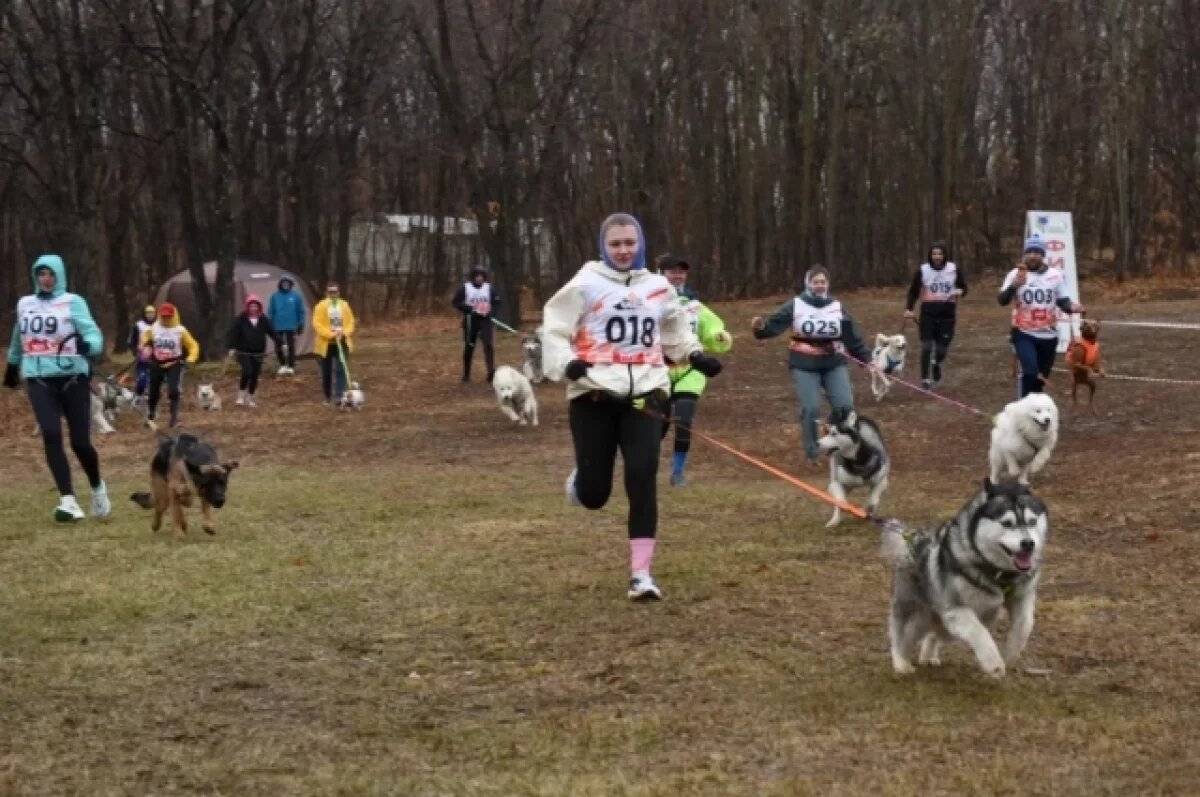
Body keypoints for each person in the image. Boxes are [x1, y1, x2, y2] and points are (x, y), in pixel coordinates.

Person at [542, 213, 723, 601]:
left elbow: (674, 332)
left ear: (639, 244)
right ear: (603, 247)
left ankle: (641, 575)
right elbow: (554, 331)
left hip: (647, 393)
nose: (623, 250)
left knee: (642, 477)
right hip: (594, 395)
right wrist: (567, 364)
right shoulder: (584, 284)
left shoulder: (658, 286)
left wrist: (695, 355)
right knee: (594, 495)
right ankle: (583, 479)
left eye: (629, 243)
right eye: (615, 244)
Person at [4, 255, 111, 522]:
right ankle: (68, 500)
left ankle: (97, 487)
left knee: (81, 443)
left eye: (50, 274)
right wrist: (11, 365)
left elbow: (92, 332)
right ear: (35, 277)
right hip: (38, 379)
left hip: (72, 378)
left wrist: (91, 346)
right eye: (41, 274)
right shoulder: (25, 304)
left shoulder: (73, 302)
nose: (46, 279)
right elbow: (20, 336)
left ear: (59, 276)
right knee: (51, 434)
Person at [751, 265, 873, 466]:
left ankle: (837, 441)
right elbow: (773, 325)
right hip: (804, 363)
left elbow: (851, 335)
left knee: (845, 406)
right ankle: (812, 451)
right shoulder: (796, 305)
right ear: (808, 284)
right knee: (811, 408)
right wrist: (760, 327)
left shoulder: (836, 306)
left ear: (828, 284)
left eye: (823, 282)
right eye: (815, 282)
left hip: (833, 361)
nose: (819, 285)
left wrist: (865, 359)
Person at [656, 254, 733, 487]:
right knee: (657, 425)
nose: (677, 276)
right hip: (658, 371)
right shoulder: (648, 302)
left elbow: (712, 329)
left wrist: (720, 337)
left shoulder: (695, 305)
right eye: (672, 271)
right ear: (660, 273)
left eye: (681, 272)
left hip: (690, 371)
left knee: (683, 420)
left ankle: (678, 471)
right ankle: (646, 466)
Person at [999, 234, 1084, 398]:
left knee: (1040, 380)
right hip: (1023, 333)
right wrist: (1014, 285)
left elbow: (1063, 301)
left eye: (1037, 252)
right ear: (1025, 254)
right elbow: (1002, 300)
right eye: (1029, 251)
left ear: (1043, 255)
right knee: (1030, 372)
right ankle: (1024, 408)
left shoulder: (1055, 275)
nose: (1032, 255)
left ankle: (1035, 409)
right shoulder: (1015, 274)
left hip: (1049, 335)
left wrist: (1073, 308)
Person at [904, 240, 967, 389]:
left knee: (941, 349)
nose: (937, 256)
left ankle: (935, 363)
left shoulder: (953, 269)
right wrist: (909, 308)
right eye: (934, 253)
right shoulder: (923, 270)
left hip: (947, 314)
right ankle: (925, 379)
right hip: (928, 313)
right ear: (930, 255)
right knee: (926, 346)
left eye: (940, 253)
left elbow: (964, 287)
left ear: (944, 255)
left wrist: (961, 291)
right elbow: (913, 291)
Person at [140, 302, 200, 428]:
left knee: (174, 391)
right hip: (156, 362)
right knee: (153, 391)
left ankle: (174, 418)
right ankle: (151, 414)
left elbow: (193, 345)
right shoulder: (154, 327)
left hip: (174, 363)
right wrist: (144, 347)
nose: (166, 318)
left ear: (174, 315)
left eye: (168, 316)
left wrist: (190, 359)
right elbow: (145, 338)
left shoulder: (180, 330)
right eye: (164, 316)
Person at [225, 294, 279, 407]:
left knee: (255, 375)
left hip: (258, 352)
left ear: (259, 307)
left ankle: (250, 397)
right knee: (247, 371)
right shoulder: (241, 318)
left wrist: (281, 343)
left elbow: (272, 332)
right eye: (251, 306)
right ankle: (241, 394)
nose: (253, 308)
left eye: (255, 306)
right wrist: (231, 347)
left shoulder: (263, 319)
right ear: (248, 307)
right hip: (243, 351)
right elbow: (233, 333)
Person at [451, 264, 501, 383]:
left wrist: (491, 312)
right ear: (473, 277)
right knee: (469, 347)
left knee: (488, 346)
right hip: (471, 320)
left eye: (482, 276)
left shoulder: (489, 288)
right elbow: (455, 302)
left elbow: (497, 303)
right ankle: (466, 374)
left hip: (485, 321)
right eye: (477, 276)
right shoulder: (465, 287)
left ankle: (491, 373)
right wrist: (467, 308)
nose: (480, 278)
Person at [312, 282, 357, 405]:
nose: (333, 294)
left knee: (341, 370)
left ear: (338, 292)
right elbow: (317, 324)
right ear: (327, 293)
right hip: (326, 345)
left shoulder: (344, 305)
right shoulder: (320, 306)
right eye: (330, 292)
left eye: (335, 292)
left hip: (342, 343)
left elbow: (351, 322)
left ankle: (339, 396)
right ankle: (327, 397)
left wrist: (344, 332)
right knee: (326, 372)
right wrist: (331, 334)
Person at [268, 273, 305, 375]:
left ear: (290, 284)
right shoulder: (274, 296)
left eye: (287, 283)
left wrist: (301, 323)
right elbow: (271, 311)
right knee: (278, 346)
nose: (285, 284)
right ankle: (282, 364)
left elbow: (300, 311)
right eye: (284, 283)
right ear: (280, 284)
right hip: (278, 325)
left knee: (291, 346)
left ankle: (291, 366)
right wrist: (270, 324)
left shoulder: (296, 296)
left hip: (291, 325)